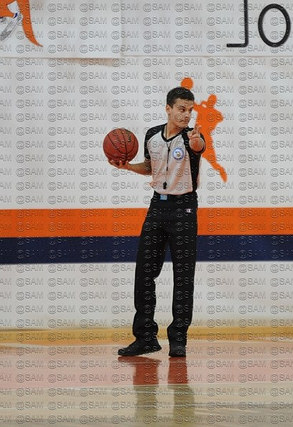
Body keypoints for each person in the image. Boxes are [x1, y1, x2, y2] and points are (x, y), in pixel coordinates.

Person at [112, 86, 205, 357]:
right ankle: (145, 337)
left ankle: (178, 338)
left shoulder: (193, 138)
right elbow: (149, 168)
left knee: (183, 277)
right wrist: (127, 167)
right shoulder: (152, 135)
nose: (187, 115)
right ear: (168, 109)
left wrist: (198, 142)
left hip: (184, 210)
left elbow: (198, 147)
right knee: (144, 274)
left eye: (190, 110)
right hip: (157, 207)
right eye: (181, 109)